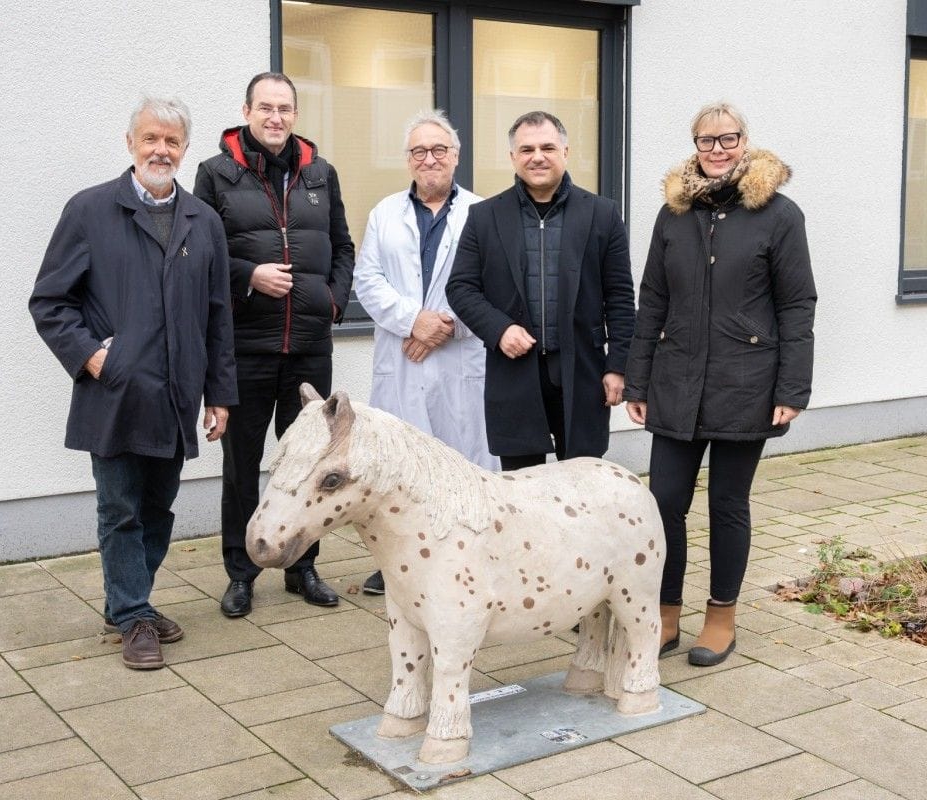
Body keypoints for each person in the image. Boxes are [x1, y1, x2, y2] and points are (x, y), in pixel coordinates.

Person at [30, 95, 237, 670]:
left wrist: (220, 393)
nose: (161, 150)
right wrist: (94, 359)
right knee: (119, 509)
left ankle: (128, 601)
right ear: (130, 144)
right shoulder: (90, 211)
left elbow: (219, 316)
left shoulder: (205, 221)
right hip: (115, 392)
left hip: (176, 395)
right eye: (150, 139)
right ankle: (132, 616)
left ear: (184, 149)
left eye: (171, 141)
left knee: (159, 507)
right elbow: (50, 301)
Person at [624, 101, 816, 667]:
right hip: (677, 379)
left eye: (727, 139)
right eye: (706, 141)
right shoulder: (674, 214)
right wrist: (638, 380)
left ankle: (721, 617)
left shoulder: (780, 215)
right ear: (694, 146)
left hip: (745, 383)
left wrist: (792, 389)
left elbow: (797, 304)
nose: (717, 150)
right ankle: (664, 615)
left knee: (728, 504)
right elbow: (652, 299)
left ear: (744, 141)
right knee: (664, 503)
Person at [194, 72, 355, 617]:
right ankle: (240, 574)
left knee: (309, 466)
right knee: (242, 466)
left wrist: (332, 301)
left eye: (285, 108)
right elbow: (203, 255)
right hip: (246, 346)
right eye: (265, 107)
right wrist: (249, 275)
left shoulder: (320, 172)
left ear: (295, 114)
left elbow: (343, 247)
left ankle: (302, 567)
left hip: (309, 347)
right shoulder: (216, 175)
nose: (275, 118)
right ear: (246, 110)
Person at [354, 110, 498, 595]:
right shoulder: (384, 213)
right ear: (408, 160)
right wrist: (412, 320)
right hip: (402, 358)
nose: (430, 158)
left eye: (439, 150)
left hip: (460, 361)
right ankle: (396, 562)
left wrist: (442, 327)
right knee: (400, 465)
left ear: (456, 157)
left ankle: (468, 558)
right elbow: (367, 281)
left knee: (463, 463)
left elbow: (492, 287)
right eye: (420, 151)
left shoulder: (483, 213)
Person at [446, 111, 635, 470]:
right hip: (514, 374)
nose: (538, 156)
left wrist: (619, 366)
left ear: (565, 151)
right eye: (527, 148)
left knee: (583, 487)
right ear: (513, 157)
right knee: (521, 490)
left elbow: (621, 299)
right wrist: (499, 329)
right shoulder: (484, 217)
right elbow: (461, 288)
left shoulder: (603, 214)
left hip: (583, 373)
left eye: (548, 147)